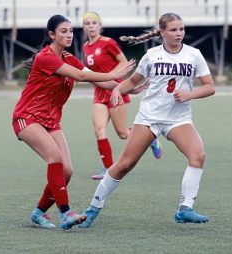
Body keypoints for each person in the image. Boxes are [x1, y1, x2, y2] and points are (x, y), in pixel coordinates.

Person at [79, 13, 215, 229]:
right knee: (124, 165)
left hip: (178, 119)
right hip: (149, 117)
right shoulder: (151, 55)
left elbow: (210, 86)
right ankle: (93, 208)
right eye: (173, 29)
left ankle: (185, 208)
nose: (179, 33)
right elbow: (133, 81)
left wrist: (189, 94)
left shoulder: (193, 54)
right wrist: (117, 88)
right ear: (162, 32)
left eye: (181, 29)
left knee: (198, 156)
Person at [12, 14, 135, 230]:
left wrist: (127, 85)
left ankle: (38, 213)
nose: (69, 35)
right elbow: (83, 76)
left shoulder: (68, 57)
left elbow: (95, 78)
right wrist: (116, 72)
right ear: (52, 35)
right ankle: (65, 213)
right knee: (54, 157)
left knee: (66, 171)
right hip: (27, 117)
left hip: (51, 121)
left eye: (70, 31)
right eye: (63, 31)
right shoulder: (45, 57)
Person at [82, 12, 163, 180]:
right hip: (99, 92)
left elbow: (124, 62)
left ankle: (151, 138)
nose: (90, 26)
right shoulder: (85, 47)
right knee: (99, 130)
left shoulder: (107, 43)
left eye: (93, 23)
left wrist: (109, 77)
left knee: (122, 133)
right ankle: (108, 169)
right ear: (83, 27)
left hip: (115, 90)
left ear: (99, 25)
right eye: (87, 23)